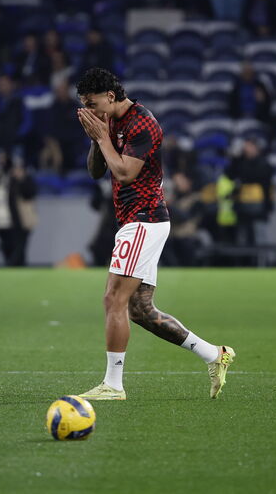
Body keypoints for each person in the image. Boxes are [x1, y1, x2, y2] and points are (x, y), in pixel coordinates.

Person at [75, 67, 235, 401]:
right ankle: (214, 354)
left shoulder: (142, 123)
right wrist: (96, 137)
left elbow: (124, 172)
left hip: (144, 218)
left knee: (112, 298)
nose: (90, 111)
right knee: (140, 310)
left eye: (92, 103)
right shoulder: (109, 122)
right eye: (84, 106)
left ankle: (113, 385)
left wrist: (103, 138)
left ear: (110, 95)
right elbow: (96, 171)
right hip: (136, 220)